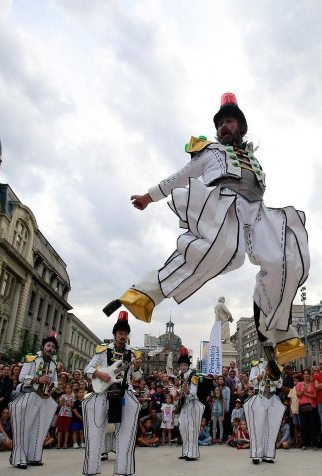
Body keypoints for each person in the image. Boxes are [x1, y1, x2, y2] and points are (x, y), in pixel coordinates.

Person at [104, 92, 309, 369]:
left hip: (258, 211)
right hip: (224, 203)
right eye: (221, 122)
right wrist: (148, 196)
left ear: (240, 127)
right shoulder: (210, 151)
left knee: (287, 258)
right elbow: (179, 177)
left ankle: (276, 332)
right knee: (221, 252)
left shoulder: (254, 159)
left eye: (230, 122)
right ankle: (145, 293)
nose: (224, 126)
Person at [81, 312, 143, 476]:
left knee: (127, 432)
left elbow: (137, 377)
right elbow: (88, 369)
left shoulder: (132, 354)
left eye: (125, 333)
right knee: (95, 431)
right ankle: (90, 470)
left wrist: (137, 367)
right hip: (103, 393)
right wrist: (100, 373)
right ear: (115, 334)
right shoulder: (103, 351)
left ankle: (126, 469)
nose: (123, 336)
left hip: (124, 392)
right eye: (120, 333)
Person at [9, 333, 59, 469]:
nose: (50, 348)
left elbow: (56, 380)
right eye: (48, 345)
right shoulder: (32, 359)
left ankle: (34, 456)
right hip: (30, 394)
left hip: (44, 397)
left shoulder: (54, 364)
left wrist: (53, 384)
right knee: (25, 427)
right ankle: (19, 458)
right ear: (43, 346)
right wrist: (37, 379)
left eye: (52, 347)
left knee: (39, 428)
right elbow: (21, 377)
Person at [245, 355, 286, 464]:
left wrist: (273, 375)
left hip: (272, 398)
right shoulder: (256, 365)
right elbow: (251, 382)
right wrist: (260, 376)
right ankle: (256, 455)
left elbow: (280, 384)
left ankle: (268, 455)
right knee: (258, 427)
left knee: (272, 427)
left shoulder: (276, 366)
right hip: (260, 397)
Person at [175, 348, 203, 461]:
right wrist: (177, 391)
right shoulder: (180, 376)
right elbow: (178, 391)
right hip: (184, 405)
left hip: (192, 404)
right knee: (182, 427)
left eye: (184, 365)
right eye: (181, 365)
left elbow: (193, 394)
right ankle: (186, 451)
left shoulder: (193, 376)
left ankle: (192, 453)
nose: (182, 367)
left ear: (188, 365)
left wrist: (186, 391)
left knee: (191, 429)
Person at [295, 369, 317, 450]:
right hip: (302, 407)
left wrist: (305, 393)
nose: (306, 375)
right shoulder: (299, 384)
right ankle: (304, 444)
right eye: (304, 374)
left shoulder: (313, 384)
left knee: (313, 426)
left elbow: (315, 396)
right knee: (303, 426)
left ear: (309, 375)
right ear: (303, 376)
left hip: (312, 406)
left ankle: (314, 444)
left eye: (307, 374)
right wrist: (303, 390)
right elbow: (298, 395)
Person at [56, 383, 74, 449]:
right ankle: (58, 444)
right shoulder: (62, 396)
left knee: (66, 430)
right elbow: (59, 406)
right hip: (61, 414)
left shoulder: (73, 396)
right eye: (66, 388)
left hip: (68, 415)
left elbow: (72, 405)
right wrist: (62, 402)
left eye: (69, 388)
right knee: (60, 429)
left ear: (71, 389)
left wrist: (67, 402)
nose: (68, 389)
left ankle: (65, 443)